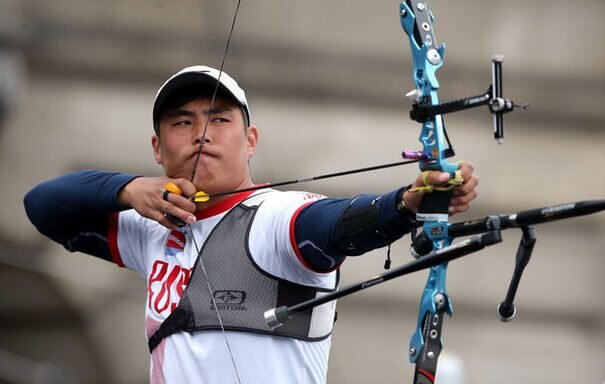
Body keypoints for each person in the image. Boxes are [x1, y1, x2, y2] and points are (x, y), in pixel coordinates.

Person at [24, 65, 478, 384]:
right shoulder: (154, 229)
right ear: (158, 148)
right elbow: (43, 205)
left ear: (251, 140)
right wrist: (128, 189)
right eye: (183, 122)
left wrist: (405, 203)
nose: (202, 133)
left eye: (219, 119)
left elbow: (333, 224)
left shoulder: (276, 218)